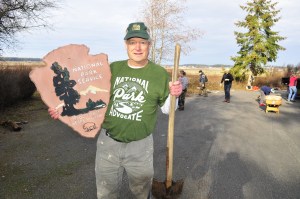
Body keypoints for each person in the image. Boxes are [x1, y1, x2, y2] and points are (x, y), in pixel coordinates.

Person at [49, 22, 182, 199]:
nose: (137, 47)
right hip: (108, 144)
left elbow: (167, 110)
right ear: (126, 44)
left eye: (142, 42)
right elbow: (91, 94)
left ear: (149, 44)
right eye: (132, 42)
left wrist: (175, 94)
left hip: (140, 147)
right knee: (106, 193)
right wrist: (63, 106)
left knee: (141, 193)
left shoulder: (159, 74)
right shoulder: (113, 69)